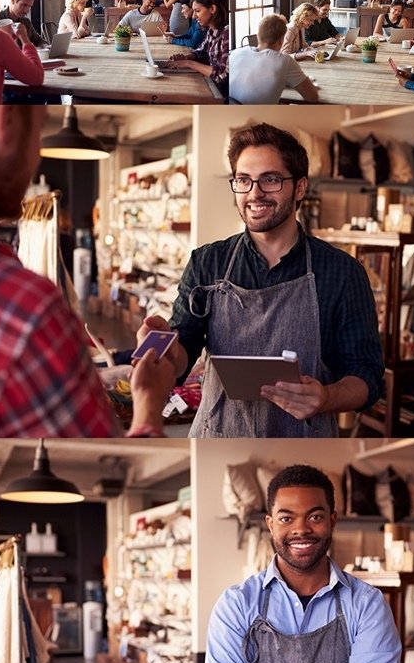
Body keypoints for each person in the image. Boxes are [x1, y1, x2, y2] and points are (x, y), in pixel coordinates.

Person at [143, 122, 384, 438]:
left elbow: (366, 376)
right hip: (217, 436)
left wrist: (326, 398)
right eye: (243, 180)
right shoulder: (207, 262)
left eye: (270, 180)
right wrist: (165, 349)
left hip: (304, 442)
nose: (254, 193)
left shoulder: (342, 272)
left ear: (299, 187)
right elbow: (184, 353)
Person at [0, 104, 176, 436]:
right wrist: (148, 401)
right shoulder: (25, 309)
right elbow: (109, 464)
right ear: (5, 122)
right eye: (39, 133)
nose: (36, 159)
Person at [204, 464, 401, 663]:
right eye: (286, 518)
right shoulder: (236, 604)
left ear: (332, 520)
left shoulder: (367, 603)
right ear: (270, 524)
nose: (301, 529)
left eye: (315, 516)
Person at [230, 14, 318, 104]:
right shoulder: (285, 62)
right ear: (281, 40)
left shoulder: (235, 54)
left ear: (258, 35)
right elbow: (312, 97)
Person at [168, 0, 229, 98]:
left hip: (222, 95)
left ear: (212, 9)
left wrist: (188, 63)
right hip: (211, 86)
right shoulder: (211, 30)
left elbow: (221, 75)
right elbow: (201, 50)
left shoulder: (227, 33)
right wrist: (185, 58)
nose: (195, 16)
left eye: (197, 11)